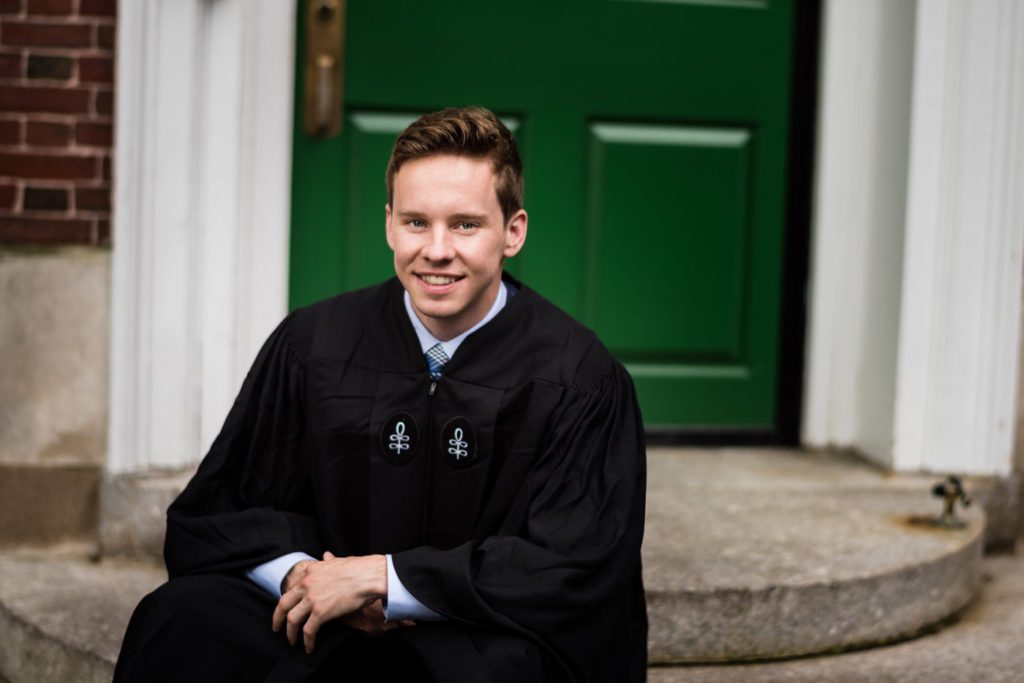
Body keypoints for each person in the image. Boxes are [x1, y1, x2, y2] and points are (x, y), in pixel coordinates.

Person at [114, 106, 648, 682]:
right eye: (417, 222)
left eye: (465, 224)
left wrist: (388, 581)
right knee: (180, 620)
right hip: (321, 623)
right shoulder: (314, 345)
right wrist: (305, 579)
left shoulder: (578, 377)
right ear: (389, 223)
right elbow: (220, 512)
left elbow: (576, 566)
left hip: (475, 636)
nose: (437, 250)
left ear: (512, 231)